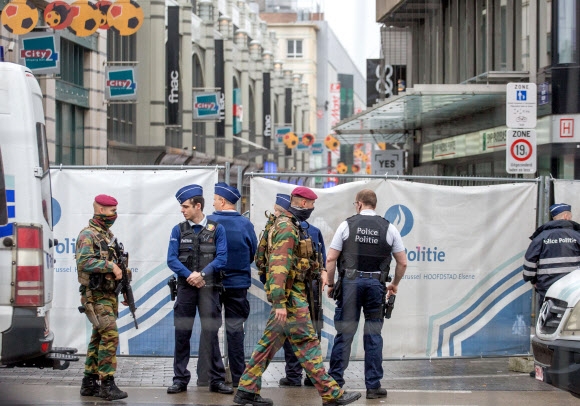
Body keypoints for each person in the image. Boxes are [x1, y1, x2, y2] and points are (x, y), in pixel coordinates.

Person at [234, 186, 361, 406]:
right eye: (311, 204)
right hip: (291, 297)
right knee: (307, 343)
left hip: (289, 295)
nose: (312, 208)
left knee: (268, 344)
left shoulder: (287, 224)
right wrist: (280, 302)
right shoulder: (286, 226)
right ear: (302, 203)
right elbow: (278, 267)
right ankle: (332, 394)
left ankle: (246, 388)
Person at [324, 189, 407, 400]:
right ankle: (373, 387)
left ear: (359, 204)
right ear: (374, 204)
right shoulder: (389, 228)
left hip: (350, 284)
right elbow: (403, 262)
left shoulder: (347, 224)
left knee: (344, 334)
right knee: (373, 336)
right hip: (375, 284)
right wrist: (394, 284)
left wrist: (331, 284)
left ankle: (335, 383)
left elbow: (331, 259)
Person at [166, 184, 233, 395]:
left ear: (198, 206)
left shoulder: (217, 229)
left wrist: (201, 275)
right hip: (186, 289)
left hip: (209, 289)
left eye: (185, 206)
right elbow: (171, 259)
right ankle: (180, 379)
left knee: (211, 334)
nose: (182, 210)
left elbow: (222, 257)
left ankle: (216, 380)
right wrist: (190, 275)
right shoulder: (178, 230)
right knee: (182, 334)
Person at [201, 182, 257, 388]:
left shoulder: (210, 222)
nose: (214, 202)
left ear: (222, 201)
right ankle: (238, 376)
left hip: (212, 284)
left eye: (215, 199)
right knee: (235, 331)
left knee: (210, 330)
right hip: (238, 285)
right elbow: (253, 252)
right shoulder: (245, 224)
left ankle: (208, 376)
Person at [77, 194, 128, 401]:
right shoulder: (87, 235)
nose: (115, 215)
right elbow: (84, 262)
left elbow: (119, 263)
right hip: (95, 295)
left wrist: (124, 287)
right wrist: (111, 266)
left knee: (98, 337)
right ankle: (107, 383)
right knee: (110, 336)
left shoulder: (107, 235)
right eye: (112, 211)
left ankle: (89, 383)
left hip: (108, 295)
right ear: (100, 211)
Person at [279, 188, 327, 388]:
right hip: (297, 288)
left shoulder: (314, 231)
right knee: (300, 331)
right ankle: (297, 375)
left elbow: (322, 259)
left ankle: (302, 375)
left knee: (309, 331)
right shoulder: (287, 228)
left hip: (310, 289)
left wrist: (324, 273)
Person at [523, 203, 580, 310]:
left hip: (547, 287)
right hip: (573, 288)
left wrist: (532, 280)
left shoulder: (541, 237)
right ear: (566, 217)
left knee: (547, 318)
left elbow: (529, 261)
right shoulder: (577, 235)